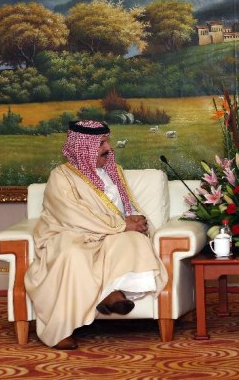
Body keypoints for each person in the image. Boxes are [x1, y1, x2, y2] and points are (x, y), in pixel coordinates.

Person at [24, 120, 167, 350]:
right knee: (73, 253)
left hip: (110, 234)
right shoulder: (62, 177)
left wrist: (137, 220)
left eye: (108, 141)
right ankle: (61, 328)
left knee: (134, 241)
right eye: (101, 142)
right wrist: (121, 225)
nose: (109, 147)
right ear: (84, 146)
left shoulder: (113, 172)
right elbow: (73, 215)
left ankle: (113, 293)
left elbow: (126, 206)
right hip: (70, 234)